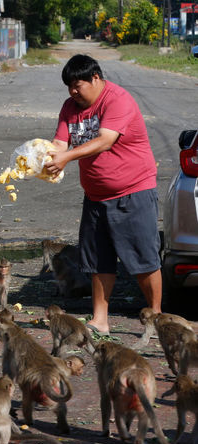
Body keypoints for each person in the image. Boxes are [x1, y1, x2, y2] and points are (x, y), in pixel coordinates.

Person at [44, 54, 161, 335]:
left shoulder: (116, 99)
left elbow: (106, 140)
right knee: (98, 260)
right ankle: (100, 320)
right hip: (95, 195)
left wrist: (66, 158)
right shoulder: (70, 107)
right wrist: (42, 159)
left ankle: (157, 317)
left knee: (143, 260)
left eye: (77, 85)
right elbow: (60, 142)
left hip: (133, 190)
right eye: (69, 87)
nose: (73, 92)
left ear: (95, 78)